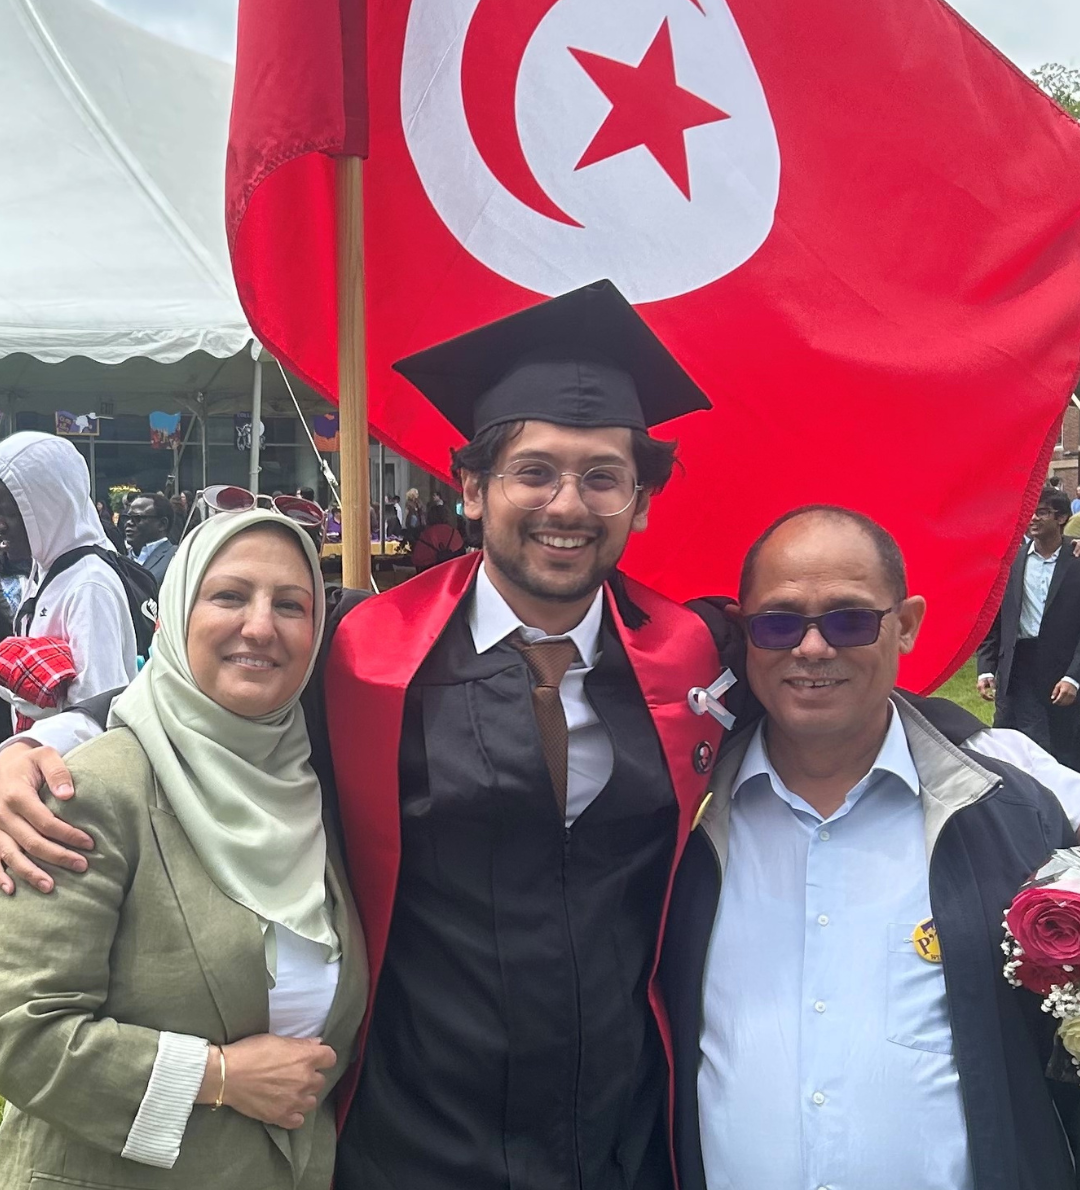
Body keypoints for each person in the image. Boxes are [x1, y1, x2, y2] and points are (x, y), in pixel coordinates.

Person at [0, 281, 729, 1188]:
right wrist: (29, 747)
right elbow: (198, 691)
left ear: (641, 501)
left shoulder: (696, 660)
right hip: (412, 1131)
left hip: (618, 1131)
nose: (568, 504)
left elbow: (832, 681)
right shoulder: (365, 653)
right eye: (534, 471)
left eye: (603, 477)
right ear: (471, 487)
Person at [662, 505, 1080, 1190]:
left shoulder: (1012, 811)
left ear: (907, 624)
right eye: (779, 623)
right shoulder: (681, 822)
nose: (813, 648)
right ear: (745, 635)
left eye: (850, 620)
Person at [0, 510, 367, 1188]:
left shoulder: (321, 790)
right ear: (172, 612)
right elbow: (22, 1033)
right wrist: (218, 1077)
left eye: (292, 605)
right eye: (229, 595)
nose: (261, 626)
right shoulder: (87, 791)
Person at [0, 433, 137, 743]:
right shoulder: (49, 568)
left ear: (47, 507)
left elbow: (100, 711)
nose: (0, 525)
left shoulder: (90, 584)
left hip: (66, 772)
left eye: (7, 512)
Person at [978, 487, 1080, 767]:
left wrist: (1074, 677)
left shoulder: (1076, 559)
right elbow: (997, 618)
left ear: (1061, 518)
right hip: (1016, 669)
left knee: (1063, 752)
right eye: (1030, 512)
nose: (1033, 518)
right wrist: (986, 667)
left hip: (1060, 671)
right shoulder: (1011, 561)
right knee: (1009, 749)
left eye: (1042, 512)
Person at [125, 492, 177, 587]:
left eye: (137, 518)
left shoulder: (177, 557)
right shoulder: (121, 561)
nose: (129, 523)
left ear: (162, 524)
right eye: (128, 518)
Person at [409, 500, 464, 571]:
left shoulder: (425, 535)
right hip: (452, 571)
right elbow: (462, 555)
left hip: (430, 573)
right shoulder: (454, 533)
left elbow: (417, 559)